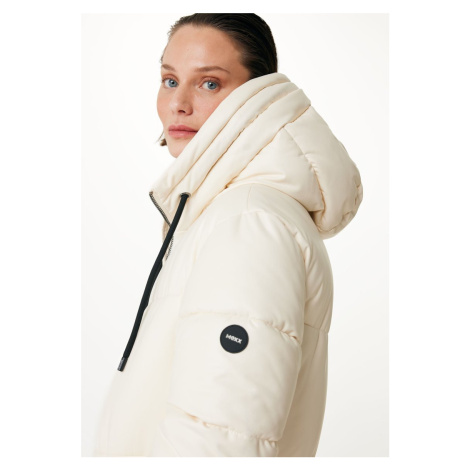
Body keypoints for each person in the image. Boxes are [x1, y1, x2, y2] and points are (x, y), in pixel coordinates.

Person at [92, 13, 363, 457]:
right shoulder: (227, 212)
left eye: (209, 83)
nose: (178, 104)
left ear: (257, 96)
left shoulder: (248, 221)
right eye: (169, 80)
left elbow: (219, 440)